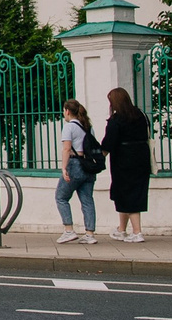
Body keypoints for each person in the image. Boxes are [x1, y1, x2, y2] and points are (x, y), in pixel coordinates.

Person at [101, 86, 153, 242]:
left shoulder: (116, 120)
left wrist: (97, 155)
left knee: (127, 194)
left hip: (123, 161)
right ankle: (121, 229)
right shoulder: (141, 115)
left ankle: (137, 232)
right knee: (130, 193)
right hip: (142, 160)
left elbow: (108, 143)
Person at [55, 98, 98, 245]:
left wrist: (64, 168)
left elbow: (67, 148)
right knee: (87, 200)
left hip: (74, 163)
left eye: (64, 111)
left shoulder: (69, 127)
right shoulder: (88, 126)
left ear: (67, 111)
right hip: (88, 166)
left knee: (61, 197)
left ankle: (69, 230)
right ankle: (90, 233)